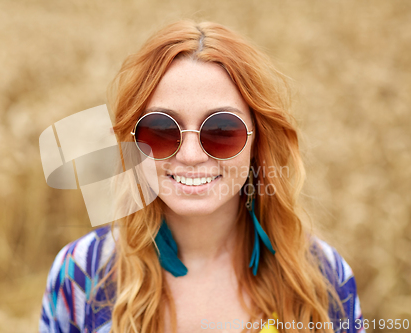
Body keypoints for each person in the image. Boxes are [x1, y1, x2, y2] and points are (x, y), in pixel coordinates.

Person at [39, 20, 365, 333]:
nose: (191, 156)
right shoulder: (81, 272)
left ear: (258, 142)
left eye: (222, 130)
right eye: (161, 130)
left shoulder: (321, 279)